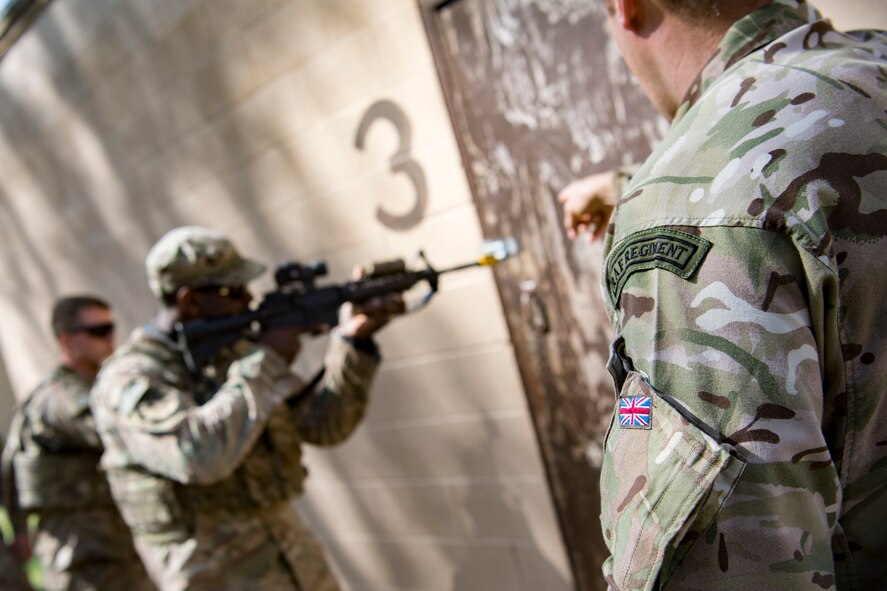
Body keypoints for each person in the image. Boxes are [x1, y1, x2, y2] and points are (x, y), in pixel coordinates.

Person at [559, 0, 887, 589]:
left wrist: (667, 199)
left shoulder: (682, 219)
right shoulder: (873, 62)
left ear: (625, 9)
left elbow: (723, 561)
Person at [90, 226, 404, 590]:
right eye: (233, 291)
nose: (249, 299)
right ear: (191, 300)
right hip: (215, 577)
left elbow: (324, 426)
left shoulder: (233, 354)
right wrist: (266, 361)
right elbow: (199, 456)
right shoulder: (130, 379)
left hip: (298, 565)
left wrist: (353, 341)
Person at [1, 296, 153, 590]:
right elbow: (119, 432)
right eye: (98, 331)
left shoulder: (86, 388)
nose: (110, 339)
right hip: (84, 558)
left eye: (110, 328)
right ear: (67, 341)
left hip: (109, 548)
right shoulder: (62, 398)